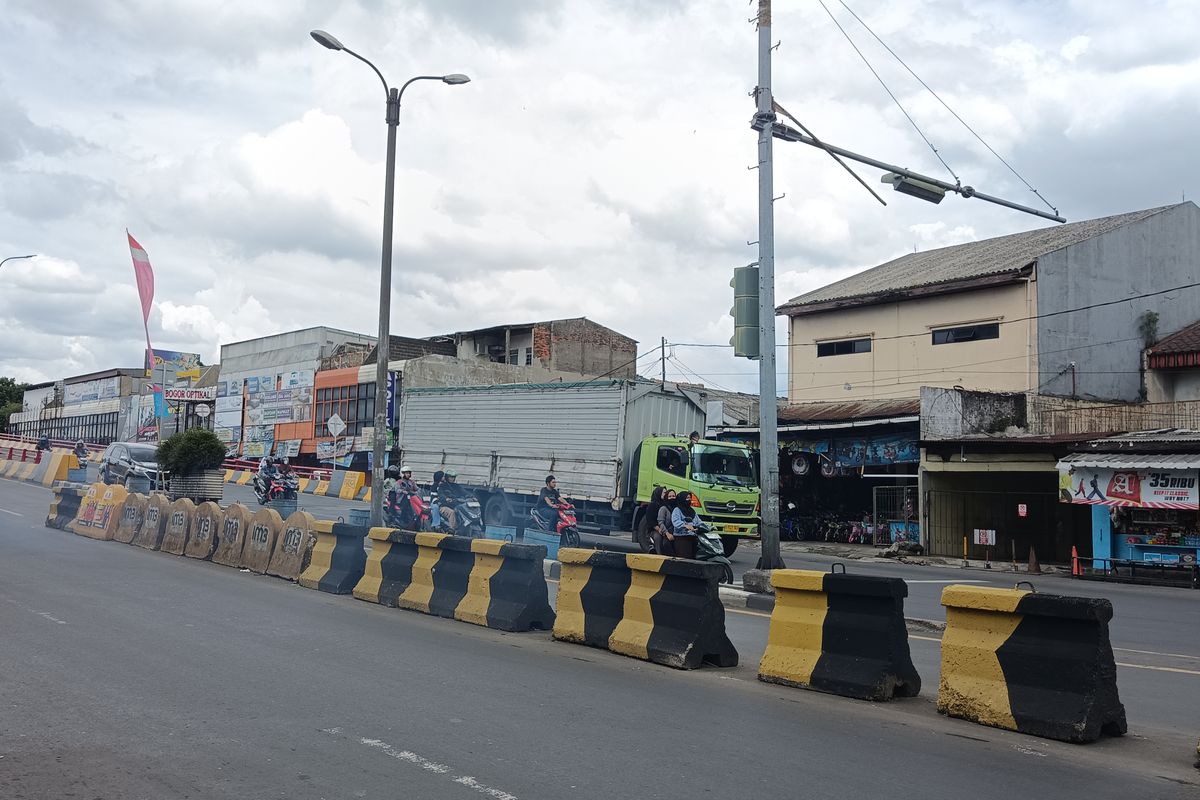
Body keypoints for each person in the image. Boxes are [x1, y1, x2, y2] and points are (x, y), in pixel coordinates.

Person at [670, 491, 701, 559]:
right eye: (687, 498)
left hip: (693, 536)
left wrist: (707, 527)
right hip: (681, 537)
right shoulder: (677, 510)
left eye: (690, 498)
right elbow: (675, 521)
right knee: (685, 558)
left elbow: (698, 521)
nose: (689, 500)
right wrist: (685, 525)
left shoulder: (692, 511)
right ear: (682, 499)